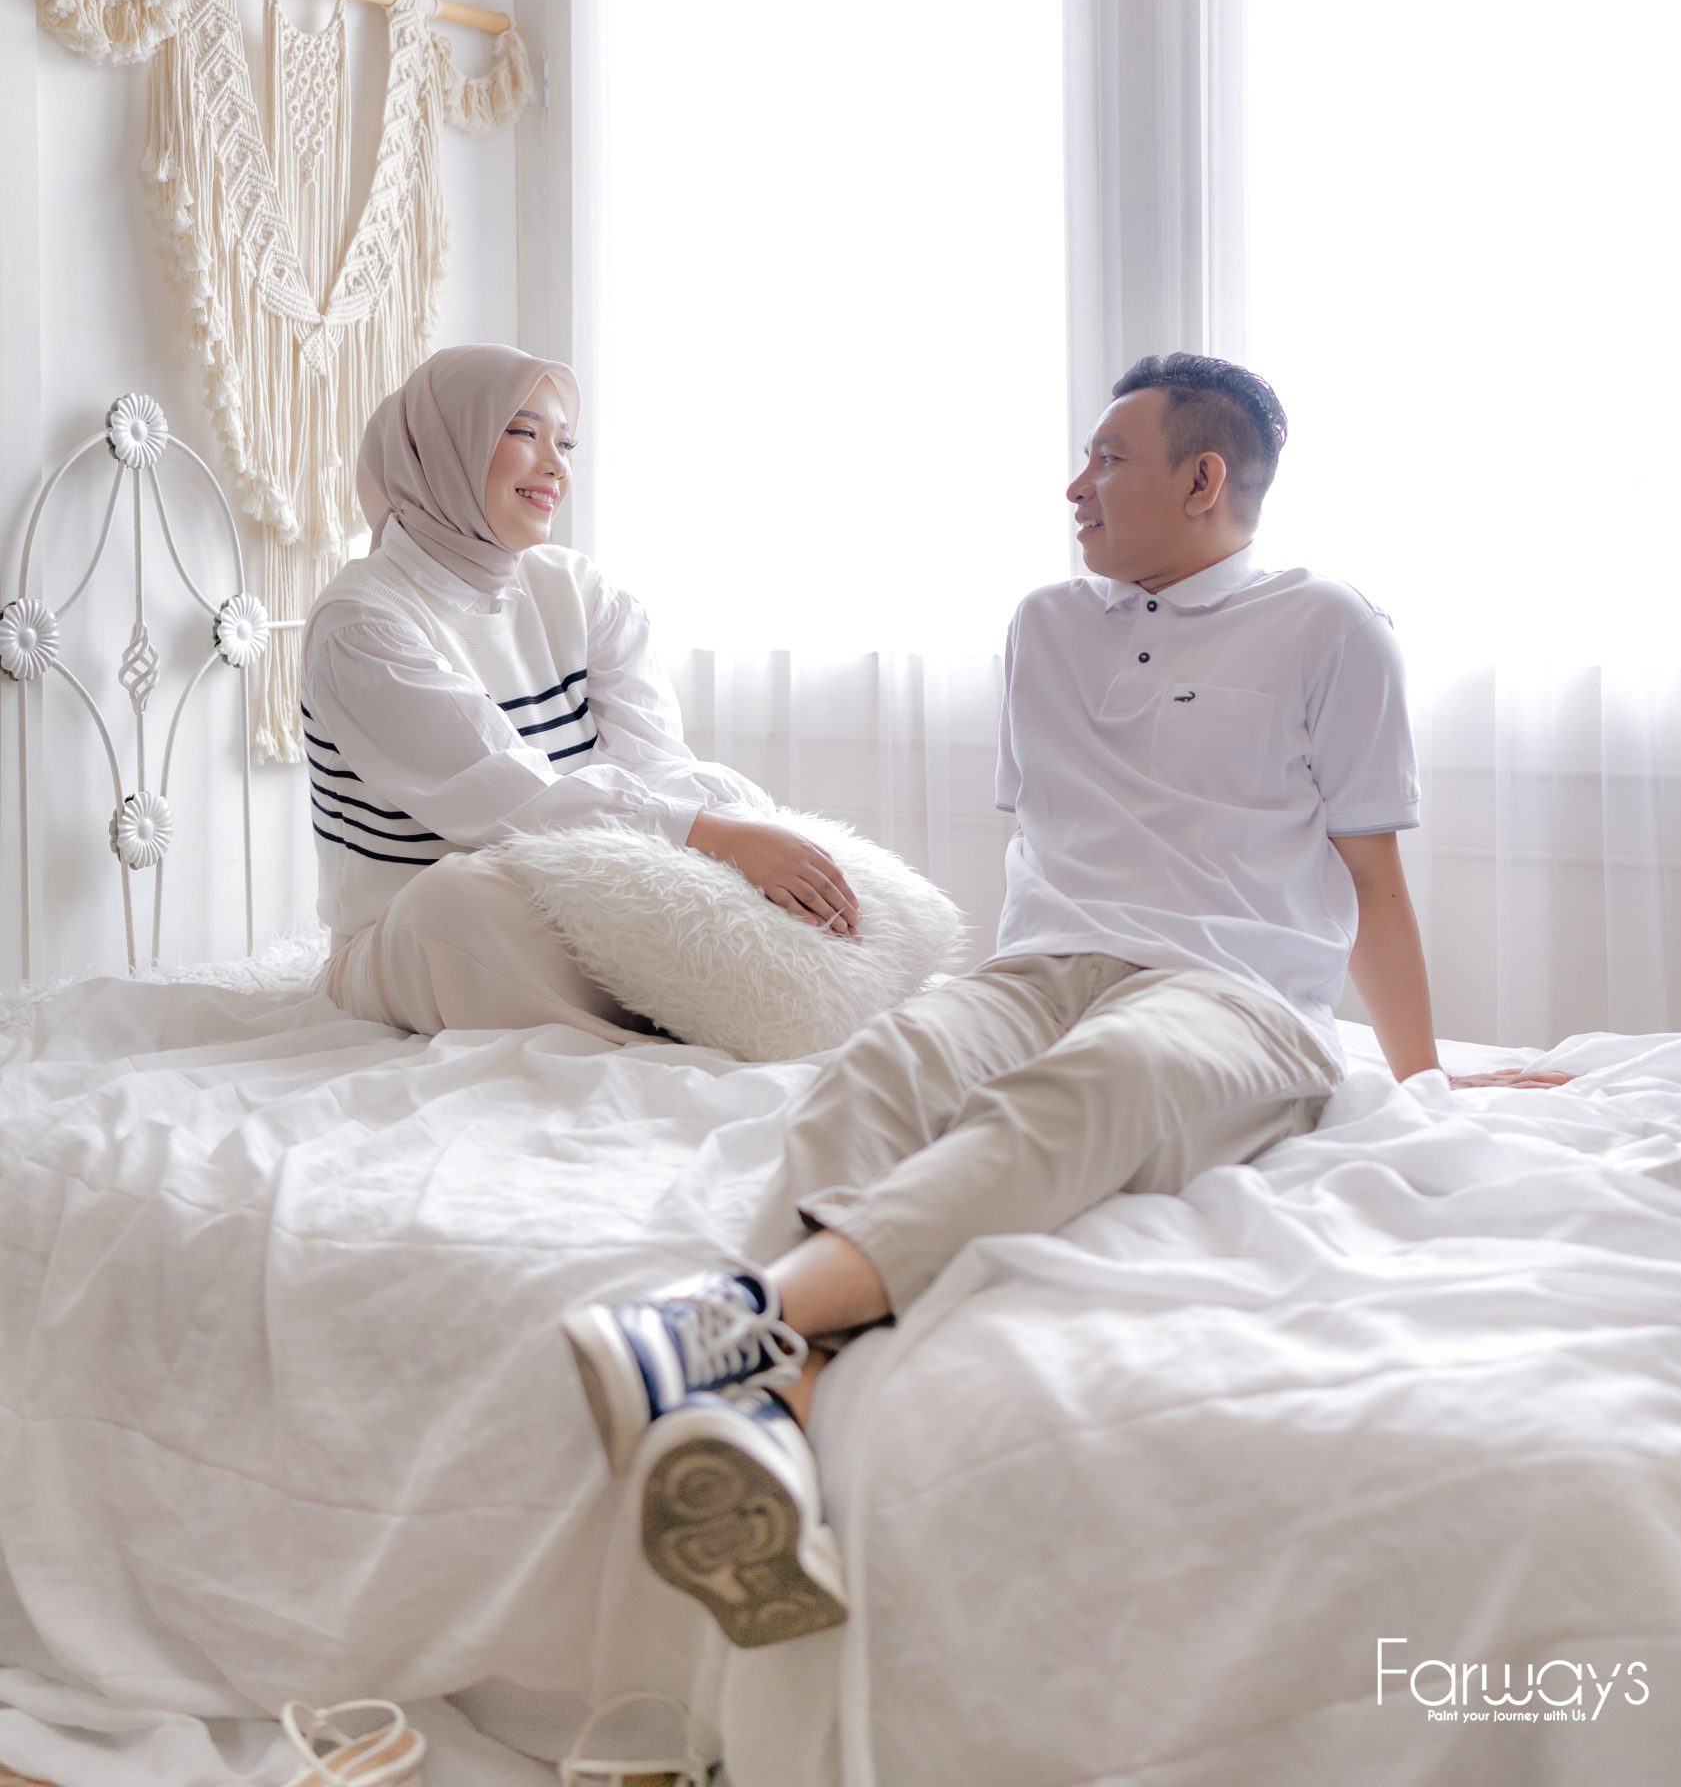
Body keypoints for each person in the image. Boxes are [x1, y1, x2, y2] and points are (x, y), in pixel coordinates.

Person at [562, 350, 1576, 1652]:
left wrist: (1421, 1077)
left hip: (1234, 993)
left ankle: (729, 1324)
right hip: (1040, 966)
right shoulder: (1043, 623)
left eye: (1107, 459)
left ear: (1201, 480)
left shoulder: (1330, 625)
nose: (1073, 485)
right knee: (880, 1070)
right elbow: (1053, 842)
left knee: (1093, 1087)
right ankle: (781, 1415)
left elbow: (1369, 874)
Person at [304, 344, 862, 1038]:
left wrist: (737, 828)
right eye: (523, 432)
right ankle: (656, 1025)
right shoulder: (363, 623)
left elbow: (653, 764)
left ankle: (712, 1002)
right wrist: (717, 838)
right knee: (460, 896)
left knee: (724, 811)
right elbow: (511, 802)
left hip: (573, 889)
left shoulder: (578, 590)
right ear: (442, 448)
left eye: (565, 444)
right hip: (412, 937)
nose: (556, 466)